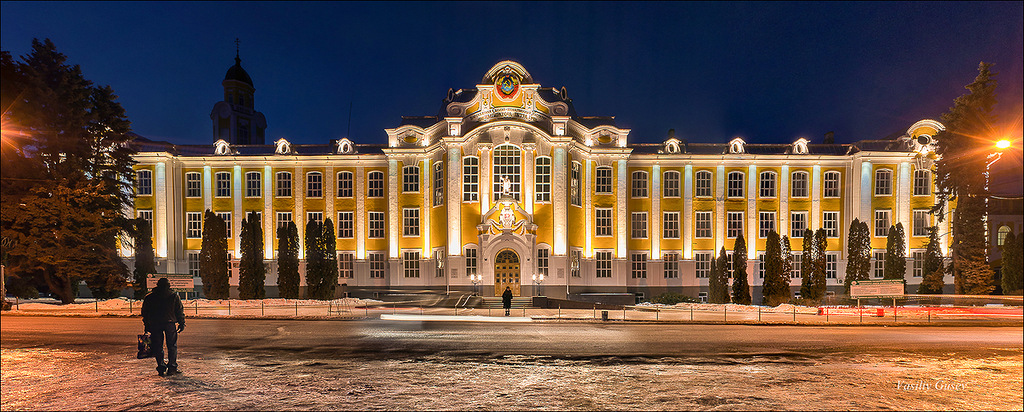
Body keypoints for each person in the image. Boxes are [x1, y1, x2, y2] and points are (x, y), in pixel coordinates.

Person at [141, 278, 186, 376]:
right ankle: (172, 368)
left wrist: (147, 325)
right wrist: (181, 323)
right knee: (172, 346)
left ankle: (161, 367)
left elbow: (145, 313)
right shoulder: (174, 296)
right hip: (170, 324)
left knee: (158, 346)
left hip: (155, 324)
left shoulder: (150, 297)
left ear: (157, 285)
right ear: (168, 286)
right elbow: (179, 311)